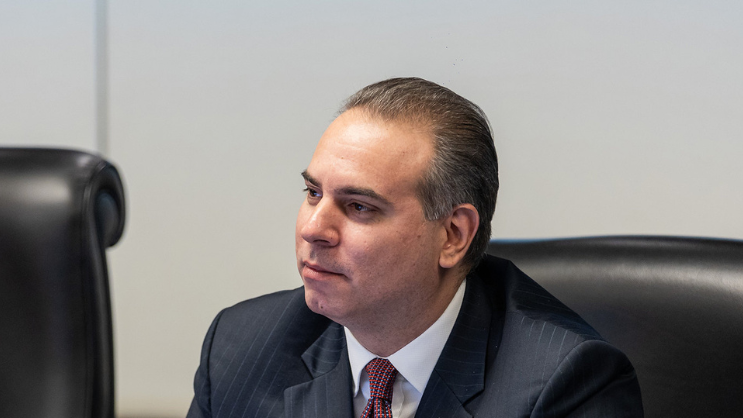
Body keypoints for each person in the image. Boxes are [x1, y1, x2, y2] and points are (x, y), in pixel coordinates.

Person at [186, 77, 643, 418]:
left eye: (359, 206)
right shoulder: (242, 346)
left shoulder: (564, 385)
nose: (313, 228)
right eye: (313, 193)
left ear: (453, 235)